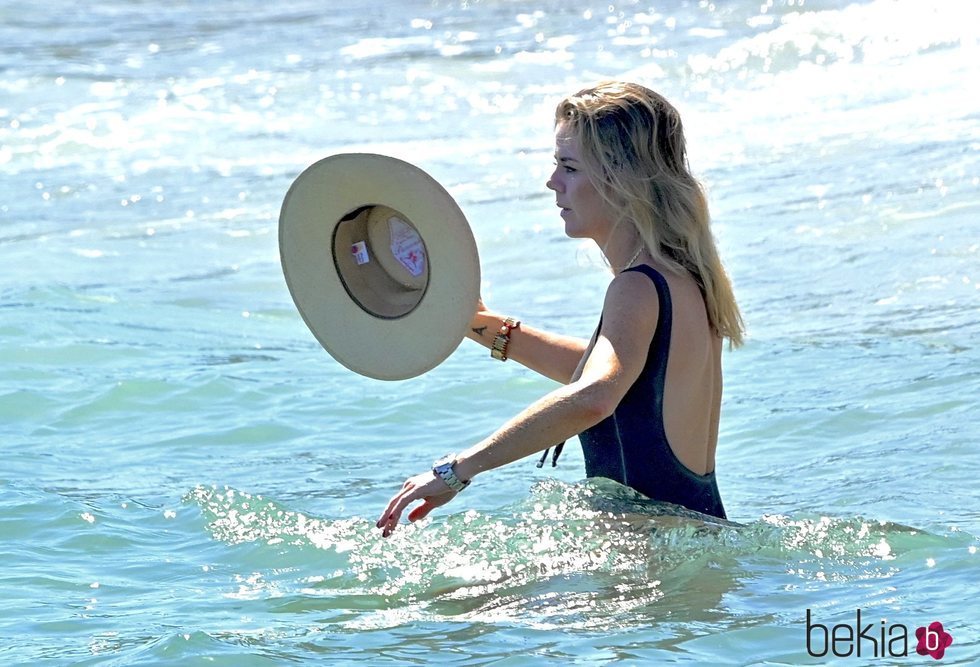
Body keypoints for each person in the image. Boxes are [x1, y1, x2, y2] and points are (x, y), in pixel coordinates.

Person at [376, 81, 744, 537]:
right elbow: (626, 379)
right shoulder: (682, 277)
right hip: (699, 539)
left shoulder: (636, 287)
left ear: (622, 179)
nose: (553, 182)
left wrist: (457, 469)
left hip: (654, 557)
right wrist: (481, 326)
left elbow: (597, 395)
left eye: (569, 167)